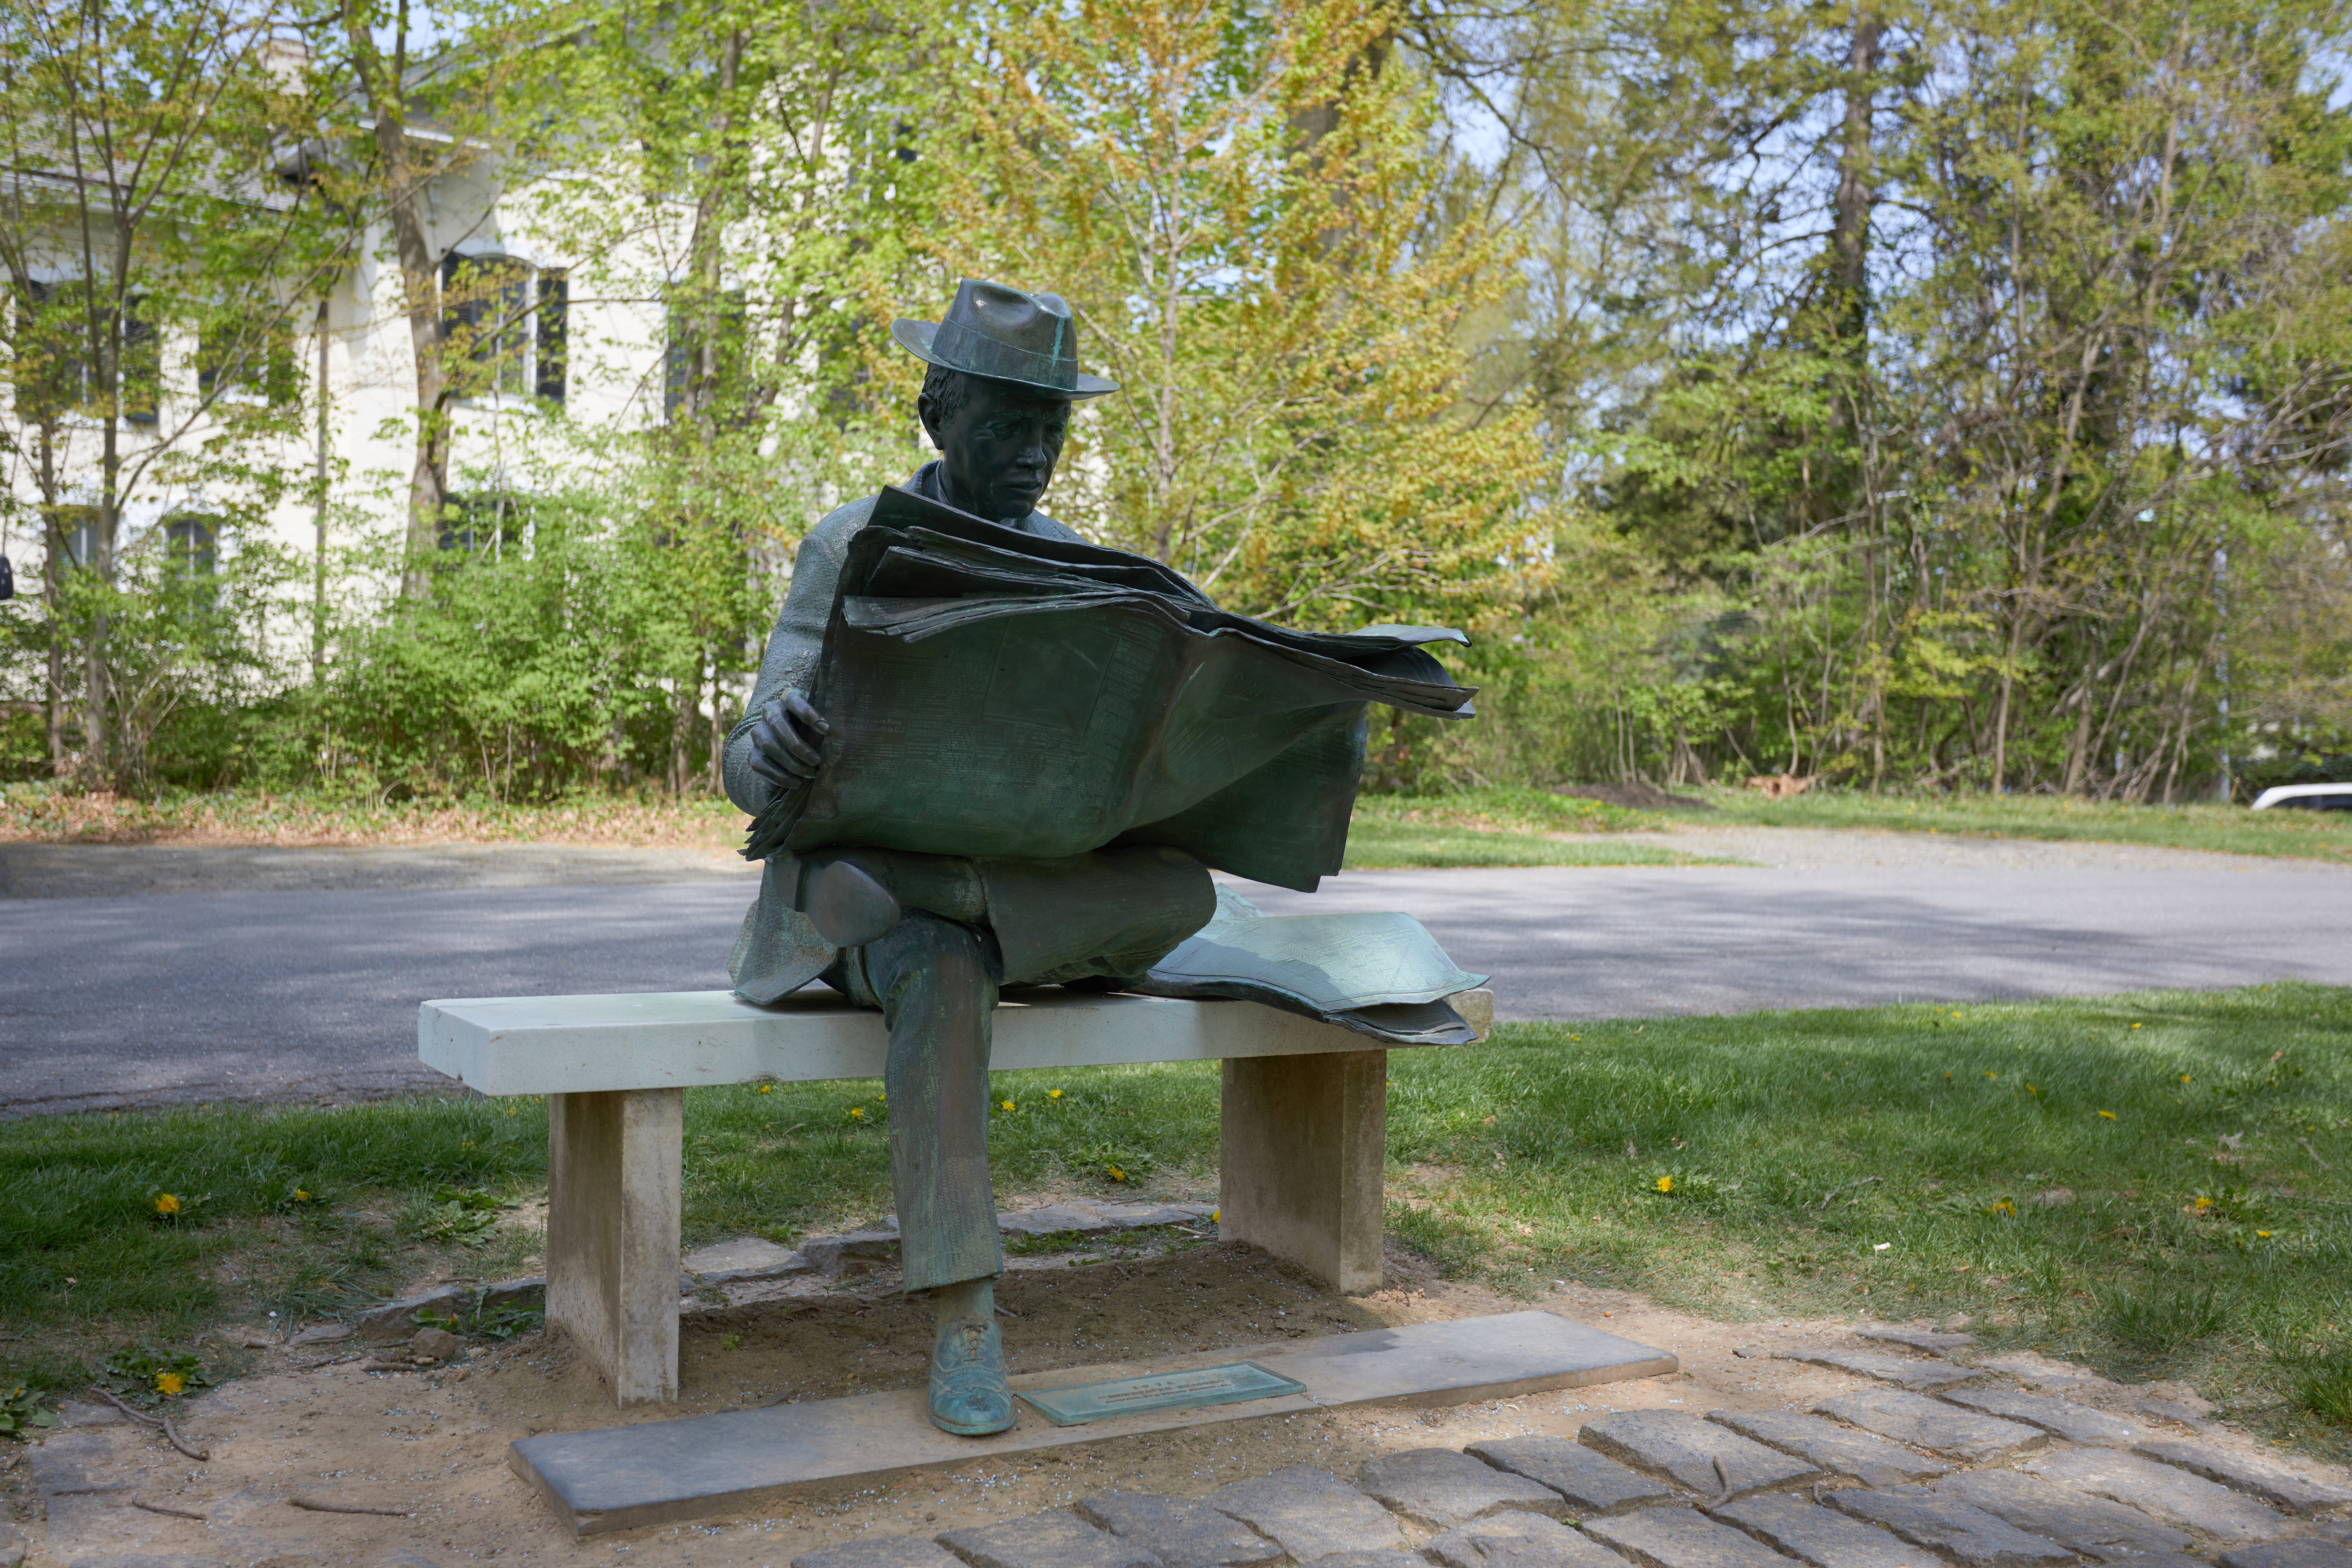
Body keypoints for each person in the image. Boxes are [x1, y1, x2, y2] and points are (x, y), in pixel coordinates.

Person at [720, 280, 1216, 1437]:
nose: (1033, 454)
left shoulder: (1079, 565)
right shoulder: (853, 542)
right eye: (1004, 427)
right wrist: (772, 743)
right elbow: (746, 766)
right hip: (867, 912)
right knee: (943, 968)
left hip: (1014, 882)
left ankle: (946, 892)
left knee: (1186, 889)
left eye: (1050, 428)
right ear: (938, 414)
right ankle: (966, 1318)